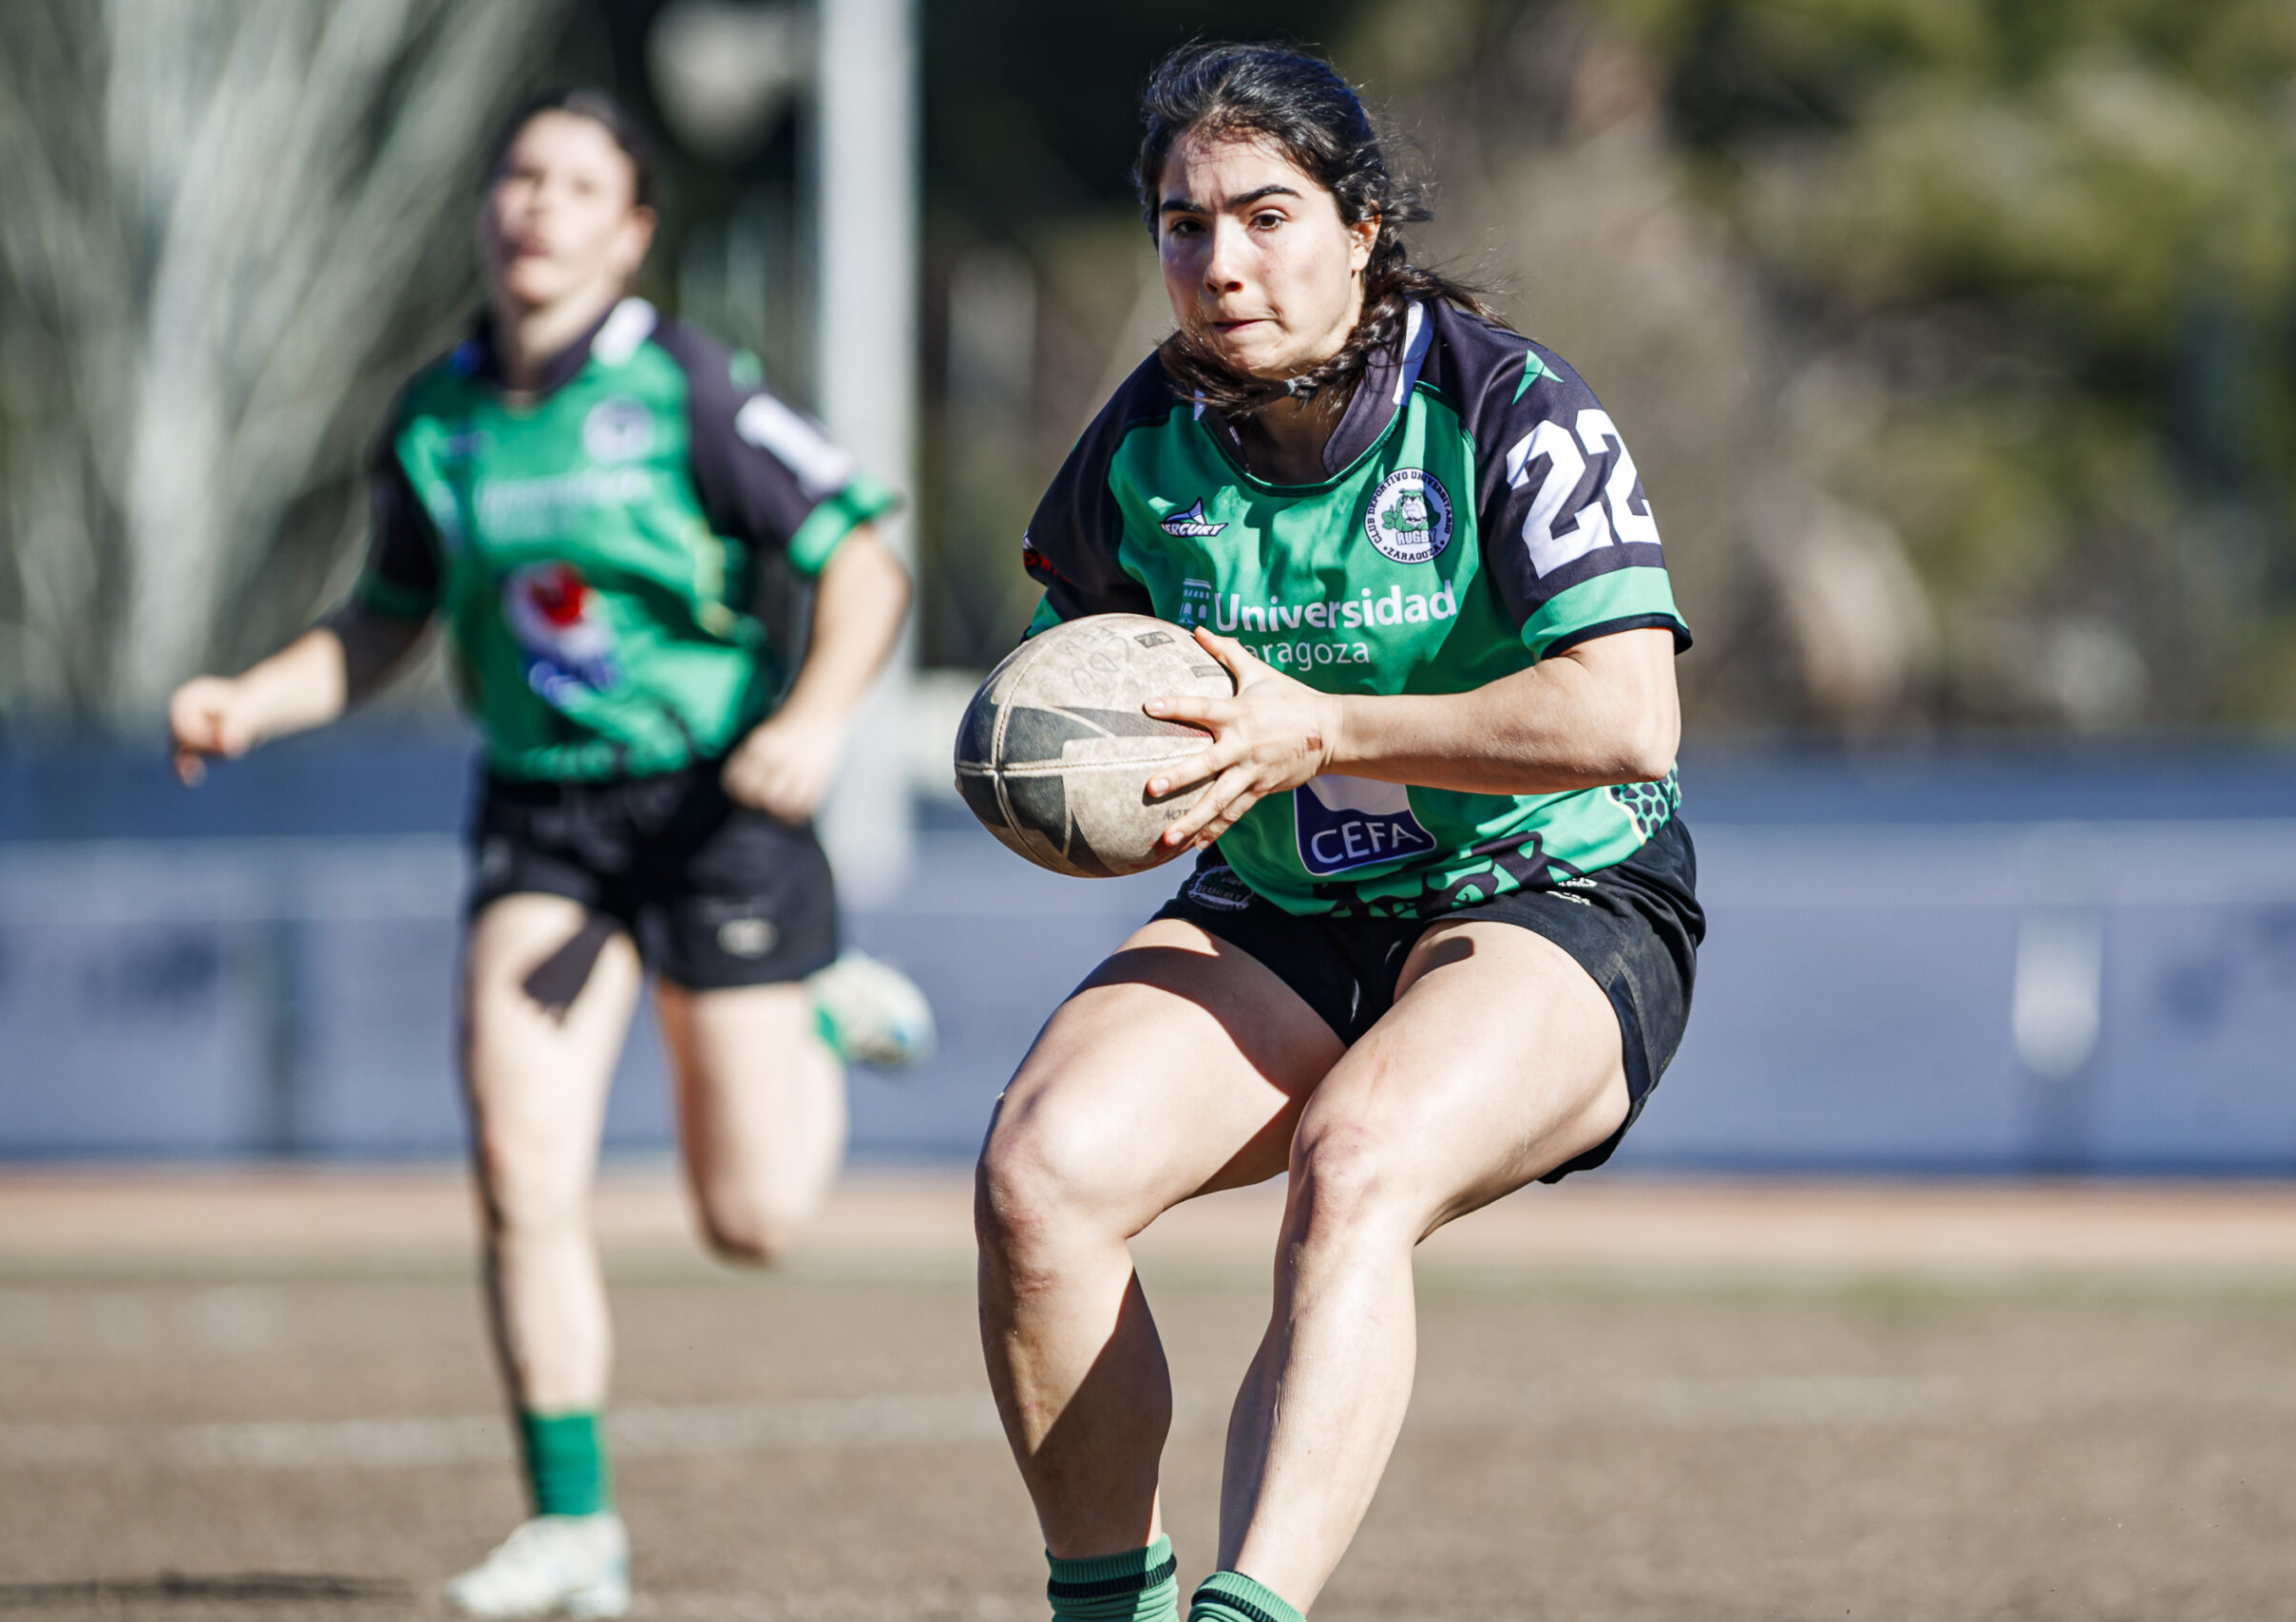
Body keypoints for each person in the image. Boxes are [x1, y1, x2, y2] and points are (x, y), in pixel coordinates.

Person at [167, 88, 931, 1620]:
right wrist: (257, 696)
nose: (538, 203)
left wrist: (823, 720)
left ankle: (820, 1011)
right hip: (545, 822)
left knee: (754, 1221)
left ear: (631, 231)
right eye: (519, 174)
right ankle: (573, 1527)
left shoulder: (693, 389)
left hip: (717, 814)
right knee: (522, 1165)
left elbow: (862, 560)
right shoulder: (436, 416)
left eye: (578, 184)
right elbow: (383, 618)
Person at [977, 43, 1704, 1622]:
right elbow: (1075, 673)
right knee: (1041, 1179)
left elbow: (1625, 717)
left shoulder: (1503, 404)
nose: (1221, 263)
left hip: (1558, 884)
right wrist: (1053, 771)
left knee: (1356, 1151)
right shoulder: (1141, 448)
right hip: (1290, 904)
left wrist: (1325, 724)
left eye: (1266, 214)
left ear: (1362, 224)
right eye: (1183, 225)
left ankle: (1255, 1612)